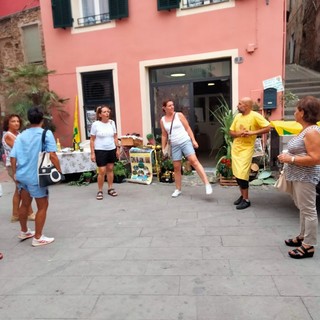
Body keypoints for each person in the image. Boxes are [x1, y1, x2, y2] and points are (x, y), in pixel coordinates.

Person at [10, 106, 62, 247]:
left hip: (22, 175)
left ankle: (24, 231)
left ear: (28, 119)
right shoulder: (46, 133)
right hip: (37, 177)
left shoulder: (21, 135)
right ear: (42, 119)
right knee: (43, 205)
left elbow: (13, 157)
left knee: (25, 204)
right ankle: (38, 237)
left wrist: (15, 173)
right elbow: (52, 155)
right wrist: (59, 170)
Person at [277, 96, 320, 259]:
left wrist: (291, 159)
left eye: (296, 109)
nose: (294, 112)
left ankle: (309, 246)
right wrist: (288, 156)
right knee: (303, 208)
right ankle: (303, 236)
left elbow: (316, 158)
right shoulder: (306, 130)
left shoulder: (312, 131)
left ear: (302, 112)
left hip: (306, 177)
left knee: (308, 210)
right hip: (298, 175)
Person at [160, 99, 212, 198]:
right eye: (169, 105)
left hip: (185, 141)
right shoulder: (162, 120)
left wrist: (193, 140)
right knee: (176, 167)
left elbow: (188, 128)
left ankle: (207, 184)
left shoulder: (179, 115)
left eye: (173, 105)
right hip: (174, 145)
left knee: (194, 161)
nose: (172, 107)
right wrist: (163, 148)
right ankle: (178, 189)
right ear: (164, 108)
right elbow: (164, 135)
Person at [230, 97, 270, 209]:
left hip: (247, 149)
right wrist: (239, 133)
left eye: (240, 104)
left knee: (242, 174)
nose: (237, 106)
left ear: (246, 106)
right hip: (236, 148)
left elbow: (268, 127)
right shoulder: (238, 117)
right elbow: (231, 132)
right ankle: (242, 196)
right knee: (237, 174)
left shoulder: (255, 116)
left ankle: (246, 200)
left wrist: (253, 132)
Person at [2, 114, 35, 222]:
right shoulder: (8, 135)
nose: (16, 123)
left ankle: (15, 215)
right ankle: (29, 213)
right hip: (13, 166)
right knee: (24, 189)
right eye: (13, 121)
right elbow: (20, 149)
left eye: (17, 121)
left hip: (21, 165)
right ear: (8, 123)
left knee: (19, 189)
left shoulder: (18, 134)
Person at [90, 105, 120, 200]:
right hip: (100, 150)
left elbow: (115, 136)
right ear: (100, 114)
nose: (107, 113)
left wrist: (117, 148)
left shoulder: (112, 123)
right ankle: (100, 190)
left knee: (110, 168)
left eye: (108, 111)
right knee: (102, 170)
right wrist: (92, 153)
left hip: (111, 148)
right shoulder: (96, 124)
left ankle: (110, 188)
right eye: (104, 112)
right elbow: (92, 139)